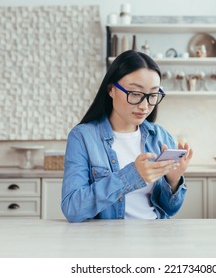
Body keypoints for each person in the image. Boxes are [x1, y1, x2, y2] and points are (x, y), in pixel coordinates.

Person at [61, 50, 193, 222]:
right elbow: (73, 208)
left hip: (156, 239)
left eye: (153, 95)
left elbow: (169, 209)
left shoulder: (160, 136)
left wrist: (173, 181)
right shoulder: (83, 137)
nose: (144, 106)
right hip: (110, 242)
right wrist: (132, 175)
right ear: (111, 90)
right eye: (136, 94)